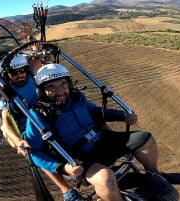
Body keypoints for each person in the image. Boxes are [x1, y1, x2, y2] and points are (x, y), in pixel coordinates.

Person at [25, 63, 160, 201]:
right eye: (51, 87)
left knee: (145, 139)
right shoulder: (37, 116)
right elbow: (34, 152)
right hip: (80, 158)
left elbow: (96, 112)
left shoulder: (76, 99)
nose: (60, 91)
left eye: (63, 84)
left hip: (103, 141)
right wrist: (63, 168)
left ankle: (155, 177)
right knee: (106, 179)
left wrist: (122, 116)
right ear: (41, 91)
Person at [0, 53, 42, 156]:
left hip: (43, 116)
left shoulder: (30, 76)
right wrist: (18, 142)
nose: (19, 75)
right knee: (7, 133)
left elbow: (37, 60)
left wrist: (38, 51)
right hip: (27, 125)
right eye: (14, 73)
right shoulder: (6, 93)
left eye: (22, 71)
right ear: (7, 74)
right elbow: (6, 118)